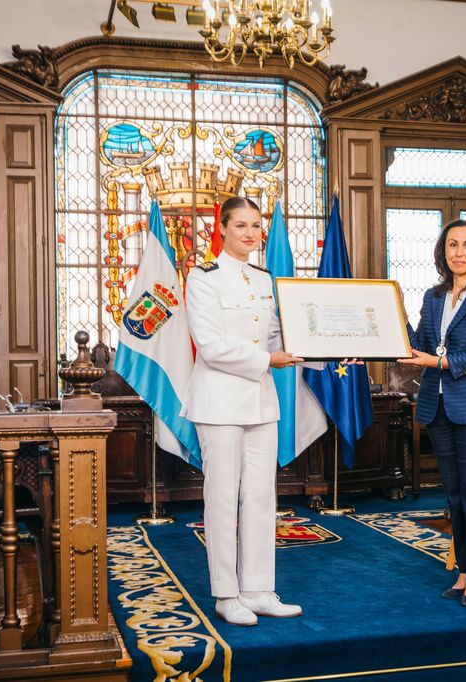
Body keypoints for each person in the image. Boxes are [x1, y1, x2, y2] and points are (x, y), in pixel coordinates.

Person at [181, 196, 306, 627]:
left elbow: (277, 335)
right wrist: (268, 361)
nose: (251, 233)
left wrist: (319, 347)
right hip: (218, 401)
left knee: (260, 496)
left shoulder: (266, 279)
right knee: (222, 498)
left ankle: (258, 589)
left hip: (260, 401)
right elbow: (211, 347)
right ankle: (226, 594)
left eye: (257, 226)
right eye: (241, 226)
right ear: (223, 228)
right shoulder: (203, 279)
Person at [399, 219, 466, 607]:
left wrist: (439, 362)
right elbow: (421, 346)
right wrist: (391, 323)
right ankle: (464, 569)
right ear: (442, 252)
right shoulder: (432, 296)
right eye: (452, 245)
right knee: (455, 496)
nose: (459, 252)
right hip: (437, 404)